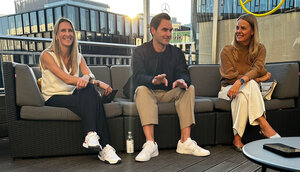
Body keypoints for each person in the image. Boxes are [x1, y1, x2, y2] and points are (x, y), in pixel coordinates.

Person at [130, 13, 210, 162]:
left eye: (170, 30)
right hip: (149, 93)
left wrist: (182, 80)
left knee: (189, 88)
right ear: (153, 30)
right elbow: (138, 76)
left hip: (169, 93)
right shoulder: (139, 51)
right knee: (141, 89)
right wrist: (153, 80)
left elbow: (185, 73)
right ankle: (150, 144)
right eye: (165, 30)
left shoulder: (177, 53)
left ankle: (185, 141)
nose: (169, 34)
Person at [39, 17, 121, 164]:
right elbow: (66, 79)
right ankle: (105, 146)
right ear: (56, 35)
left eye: (70, 30)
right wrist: (93, 81)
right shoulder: (47, 55)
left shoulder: (77, 56)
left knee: (89, 91)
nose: (67, 34)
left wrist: (93, 80)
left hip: (73, 95)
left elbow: (89, 75)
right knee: (93, 98)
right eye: (63, 30)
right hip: (54, 97)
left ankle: (94, 138)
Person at [218, 14, 281, 152]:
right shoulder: (227, 50)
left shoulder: (260, 49)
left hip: (243, 90)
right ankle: (264, 124)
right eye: (237, 27)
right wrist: (257, 79)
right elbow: (230, 76)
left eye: (243, 28)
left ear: (252, 31)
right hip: (227, 89)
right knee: (251, 85)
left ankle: (237, 138)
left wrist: (243, 81)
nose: (238, 31)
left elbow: (258, 68)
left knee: (243, 95)